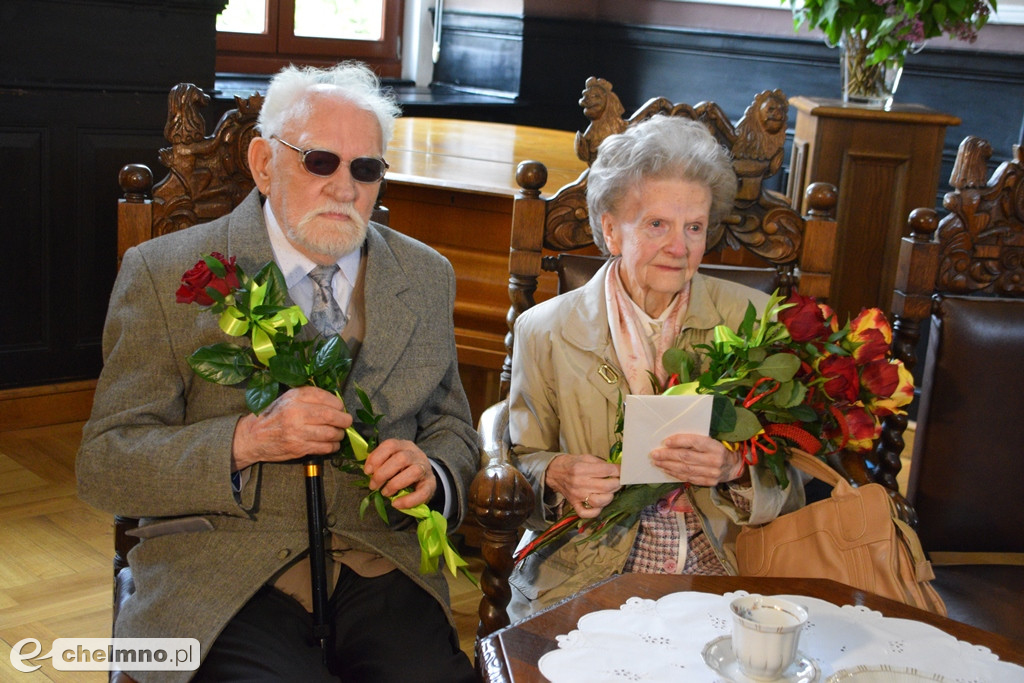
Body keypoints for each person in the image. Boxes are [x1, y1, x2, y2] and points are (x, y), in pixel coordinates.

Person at [77, 62, 478, 682]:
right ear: (265, 164)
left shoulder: (426, 276)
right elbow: (106, 464)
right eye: (320, 161)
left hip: (381, 564)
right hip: (220, 572)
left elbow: (452, 427)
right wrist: (245, 442)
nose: (345, 188)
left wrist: (434, 473)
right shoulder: (165, 273)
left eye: (365, 168)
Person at [507, 115, 805, 620]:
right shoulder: (545, 330)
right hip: (586, 568)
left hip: (723, 568)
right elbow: (515, 462)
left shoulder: (751, 320)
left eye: (694, 227)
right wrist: (557, 474)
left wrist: (735, 471)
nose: (680, 247)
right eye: (657, 225)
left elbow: (794, 484)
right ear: (610, 230)